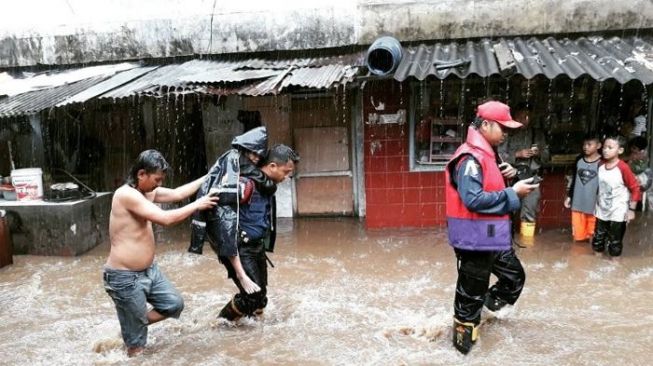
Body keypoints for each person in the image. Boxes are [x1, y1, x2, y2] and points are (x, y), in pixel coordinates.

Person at [103, 149, 218, 357]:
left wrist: (211, 174)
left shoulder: (147, 191)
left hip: (148, 271)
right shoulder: (126, 195)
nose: (159, 184)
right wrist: (198, 205)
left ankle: (132, 323)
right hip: (125, 277)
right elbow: (165, 218)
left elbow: (179, 194)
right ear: (141, 174)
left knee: (174, 304)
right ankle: (132, 331)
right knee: (137, 349)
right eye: (157, 179)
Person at [445, 101, 539, 354]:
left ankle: (483, 317)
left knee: (514, 278)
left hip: (492, 236)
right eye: (503, 128)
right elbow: (473, 199)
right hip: (474, 240)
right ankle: (462, 349)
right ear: (485, 125)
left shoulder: (488, 153)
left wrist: (509, 178)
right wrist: (513, 192)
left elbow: (491, 188)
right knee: (469, 298)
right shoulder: (469, 158)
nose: (506, 133)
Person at [188, 126, 276, 294]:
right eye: (253, 153)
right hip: (222, 218)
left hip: (242, 234)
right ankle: (224, 318)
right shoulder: (235, 160)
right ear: (245, 149)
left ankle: (248, 317)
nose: (256, 158)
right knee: (254, 295)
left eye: (259, 155)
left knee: (259, 295)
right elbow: (266, 185)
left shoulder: (236, 163)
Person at [217, 144, 299, 321]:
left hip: (256, 246)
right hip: (239, 250)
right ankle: (221, 325)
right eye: (285, 172)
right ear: (272, 166)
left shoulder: (266, 186)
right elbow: (224, 226)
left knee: (260, 297)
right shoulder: (245, 185)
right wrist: (240, 273)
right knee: (252, 296)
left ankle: (258, 330)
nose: (286, 177)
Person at [498, 102, 549, 236]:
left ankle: (527, 247)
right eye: (520, 117)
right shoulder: (506, 134)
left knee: (529, 212)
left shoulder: (537, 135)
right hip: (510, 178)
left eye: (527, 116)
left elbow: (547, 157)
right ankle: (507, 244)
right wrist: (517, 154)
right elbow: (498, 157)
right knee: (508, 210)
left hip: (531, 178)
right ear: (514, 117)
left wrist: (539, 153)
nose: (524, 119)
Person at [592, 135, 641, 257]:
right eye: (604, 147)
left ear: (620, 150)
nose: (605, 150)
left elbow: (635, 188)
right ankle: (596, 265)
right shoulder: (601, 166)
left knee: (615, 243)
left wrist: (631, 210)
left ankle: (615, 269)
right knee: (598, 241)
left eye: (610, 147)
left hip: (618, 212)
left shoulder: (623, 168)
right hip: (602, 210)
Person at [564, 133, 602, 242]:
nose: (586, 147)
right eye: (584, 144)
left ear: (598, 146)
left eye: (589, 144)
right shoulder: (579, 160)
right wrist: (569, 196)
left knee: (593, 236)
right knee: (578, 237)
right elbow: (574, 180)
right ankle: (578, 258)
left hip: (594, 205)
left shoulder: (602, 163)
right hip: (577, 204)